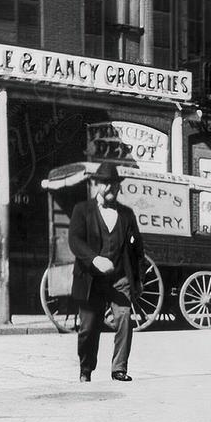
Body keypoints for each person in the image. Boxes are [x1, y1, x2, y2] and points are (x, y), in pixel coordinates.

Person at [68, 162, 145, 382]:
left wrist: (138, 281)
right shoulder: (82, 210)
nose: (110, 188)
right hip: (91, 280)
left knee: (124, 317)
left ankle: (119, 368)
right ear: (96, 185)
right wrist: (94, 259)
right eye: (105, 183)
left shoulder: (127, 215)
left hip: (119, 279)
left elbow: (138, 249)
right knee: (88, 329)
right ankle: (86, 368)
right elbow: (74, 240)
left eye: (114, 184)